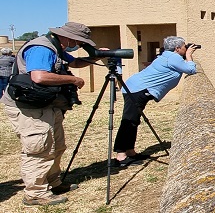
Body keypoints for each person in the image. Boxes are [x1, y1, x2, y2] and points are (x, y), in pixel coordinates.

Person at [1, 22, 101, 206]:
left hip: (46, 104)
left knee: (57, 144)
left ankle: (53, 182)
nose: (79, 45)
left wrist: (99, 55)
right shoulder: (42, 48)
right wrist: (73, 79)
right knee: (39, 148)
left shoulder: (56, 47)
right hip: (29, 107)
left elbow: (76, 62)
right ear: (69, 37)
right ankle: (35, 193)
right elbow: (39, 76)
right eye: (79, 41)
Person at [112, 36, 197, 166]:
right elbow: (191, 69)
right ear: (177, 48)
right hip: (137, 90)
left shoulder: (166, 56)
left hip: (135, 87)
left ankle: (130, 152)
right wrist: (189, 56)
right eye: (185, 46)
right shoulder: (173, 57)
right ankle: (121, 156)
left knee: (133, 121)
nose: (186, 48)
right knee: (129, 121)